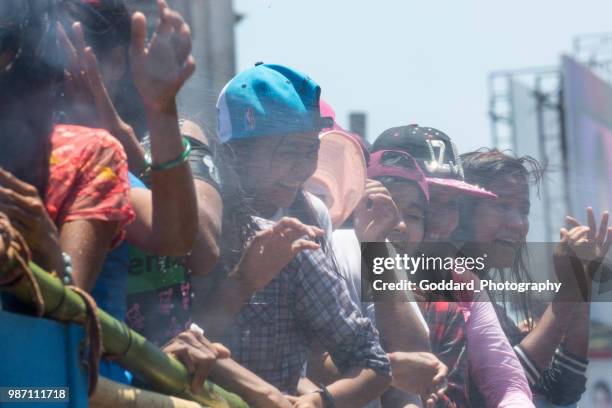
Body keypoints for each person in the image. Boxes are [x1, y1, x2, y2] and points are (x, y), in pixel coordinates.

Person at [193, 63, 392, 407]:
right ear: (234, 155)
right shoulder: (185, 229)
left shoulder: (293, 248)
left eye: (309, 151)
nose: (302, 168)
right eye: (287, 152)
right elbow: (177, 344)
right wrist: (242, 283)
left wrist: (318, 401)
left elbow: (373, 364)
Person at [371, 125, 535, 408]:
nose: (442, 222)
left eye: (453, 205)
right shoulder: (340, 257)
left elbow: (507, 383)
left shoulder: (459, 282)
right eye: (428, 203)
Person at [455, 149, 610, 407]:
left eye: (523, 210)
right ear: (463, 209)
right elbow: (504, 385)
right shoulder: (442, 289)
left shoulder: (487, 301)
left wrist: (581, 279)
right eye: (502, 206)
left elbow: (564, 389)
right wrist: (570, 290)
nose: (518, 223)